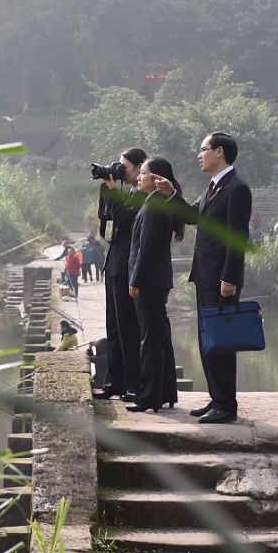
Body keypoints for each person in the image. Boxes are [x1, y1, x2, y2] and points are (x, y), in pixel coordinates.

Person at [154, 132, 252, 425]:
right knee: (209, 340)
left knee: (221, 341)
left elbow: (238, 238)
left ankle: (226, 405)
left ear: (219, 152)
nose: (199, 154)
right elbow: (192, 215)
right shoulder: (213, 187)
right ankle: (216, 399)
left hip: (221, 279)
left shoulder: (236, 188)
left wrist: (230, 278)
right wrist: (171, 194)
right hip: (205, 276)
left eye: (203, 149)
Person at [126, 157, 183, 413]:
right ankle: (165, 391)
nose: (138, 176)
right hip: (156, 280)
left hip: (149, 282)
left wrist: (135, 280)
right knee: (160, 338)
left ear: (157, 178)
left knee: (150, 340)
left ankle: (149, 396)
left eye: (143, 173)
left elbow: (145, 249)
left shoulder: (155, 206)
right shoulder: (154, 203)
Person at [94, 148, 147, 403]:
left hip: (128, 266)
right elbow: (110, 217)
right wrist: (107, 191)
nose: (119, 170)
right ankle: (114, 382)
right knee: (113, 328)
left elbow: (127, 223)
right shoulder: (128, 193)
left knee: (128, 329)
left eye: (123, 166)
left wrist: (114, 193)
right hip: (114, 264)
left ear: (138, 167)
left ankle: (134, 384)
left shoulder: (144, 194)